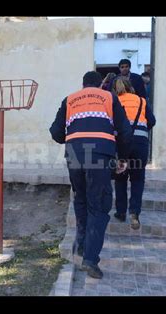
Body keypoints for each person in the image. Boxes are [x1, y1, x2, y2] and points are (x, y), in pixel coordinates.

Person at [49, 71, 132, 278]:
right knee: (99, 204)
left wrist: (72, 138)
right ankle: (90, 259)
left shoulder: (69, 99)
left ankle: (80, 245)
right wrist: (122, 158)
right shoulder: (109, 97)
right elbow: (125, 131)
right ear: (100, 85)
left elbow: (55, 132)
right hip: (100, 154)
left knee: (81, 199)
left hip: (75, 154)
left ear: (83, 85)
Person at [111, 77, 156, 229]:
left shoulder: (114, 101)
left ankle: (121, 211)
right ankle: (134, 213)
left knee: (120, 178)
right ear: (130, 86)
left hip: (121, 144)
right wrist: (141, 130)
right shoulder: (141, 101)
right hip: (140, 143)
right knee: (137, 179)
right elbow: (152, 121)